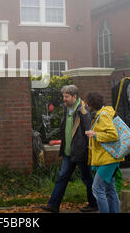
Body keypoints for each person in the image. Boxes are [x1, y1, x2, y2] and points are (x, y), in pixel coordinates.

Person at [41, 85, 98, 213]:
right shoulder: (67, 108)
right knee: (62, 177)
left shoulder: (83, 111)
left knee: (87, 179)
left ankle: (94, 204)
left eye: (66, 96)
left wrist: (85, 151)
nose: (64, 99)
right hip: (68, 152)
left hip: (80, 152)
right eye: (63, 96)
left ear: (74, 96)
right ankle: (53, 205)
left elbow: (88, 132)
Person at [84, 91, 124, 213]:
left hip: (108, 159)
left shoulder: (103, 116)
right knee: (110, 190)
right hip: (108, 158)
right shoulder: (102, 114)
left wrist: (95, 134)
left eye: (87, 102)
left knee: (97, 189)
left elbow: (113, 135)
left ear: (91, 104)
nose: (85, 105)